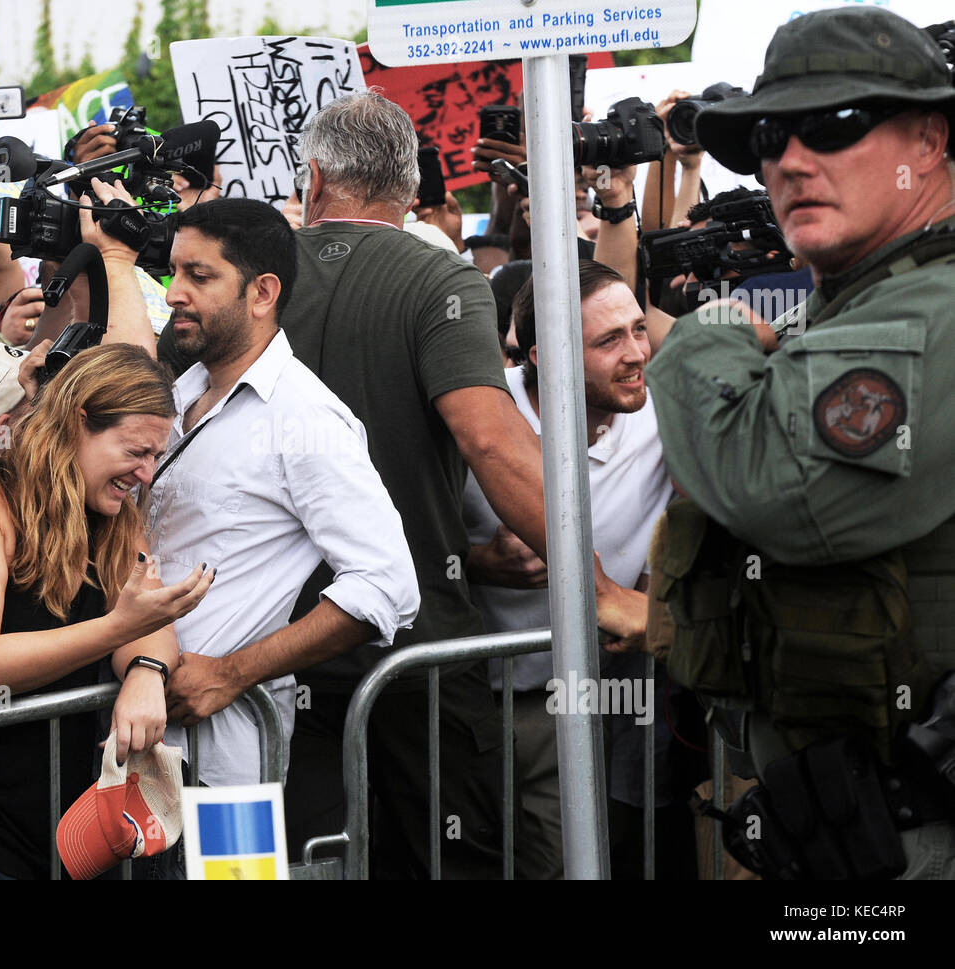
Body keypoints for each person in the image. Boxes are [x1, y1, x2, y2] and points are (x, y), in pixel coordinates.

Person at [157, 90, 643, 878]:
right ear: (412, 190)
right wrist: (595, 588)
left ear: (312, 178)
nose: (179, 288)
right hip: (398, 661)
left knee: (270, 865)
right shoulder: (433, 278)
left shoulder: (235, 281)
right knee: (445, 862)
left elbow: (139, 435)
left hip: (253, 664)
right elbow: (488, 435)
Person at [646, 6, 955, 879]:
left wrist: (706, 333)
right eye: (771, 135)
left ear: (929, 141)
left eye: (834, 124)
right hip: (838, 818)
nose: (788, 158)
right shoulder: (861, 302)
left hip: (914, 828)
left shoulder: (931, 307)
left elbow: (775, 487)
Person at [0, 343, 214, 880]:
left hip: (57, 841)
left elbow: (148, 618)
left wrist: (147, 673)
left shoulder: (110, 514)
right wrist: (115, 629)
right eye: (134, 451)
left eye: (156, 456)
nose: (146, 474)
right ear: (79, 423)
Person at [135, 198, 418, 793]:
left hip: (227, 763)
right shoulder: (178, 392)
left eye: (199, 276)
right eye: (173, 272)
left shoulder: (305, 416)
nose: (172, 294)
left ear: (262, 293)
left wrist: (231, 674)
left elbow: (386, 585)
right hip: (141, 742)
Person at [464, 261, 681, 879]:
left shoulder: (662, 414)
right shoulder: (482, 414)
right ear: (544, 354)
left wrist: (647, 596)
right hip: (481, 701)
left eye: (639, 330)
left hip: (601, 694)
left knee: (589, 859)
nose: (637, 353)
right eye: (609, 340)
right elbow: (405, 536)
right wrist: (480, 563)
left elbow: (692, 519)